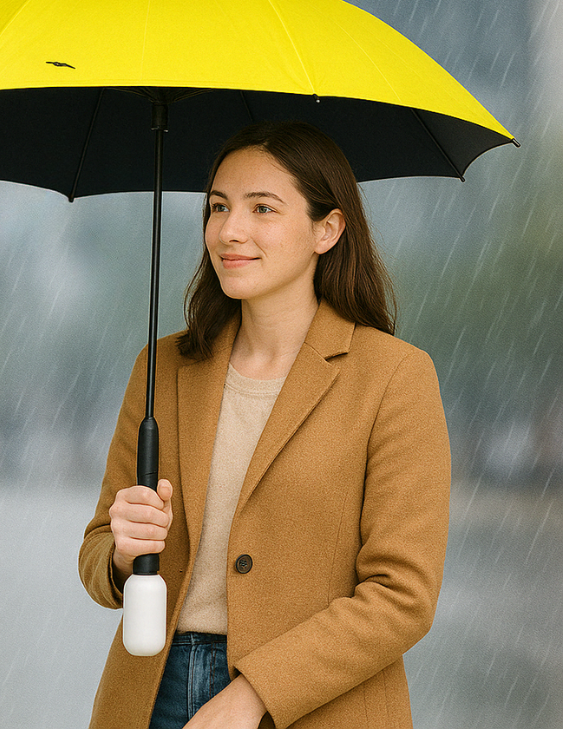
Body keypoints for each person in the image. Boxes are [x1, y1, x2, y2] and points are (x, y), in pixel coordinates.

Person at [79, 121, 451, 729]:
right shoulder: (162, 368)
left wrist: (254, 694)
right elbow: (96, 555)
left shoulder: (394, 378)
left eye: (263, 209)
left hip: (316, 705)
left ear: (327, 230)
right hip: (150, 694)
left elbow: (402, 595)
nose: (230, 230)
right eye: (218, 207)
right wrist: (122, 554)